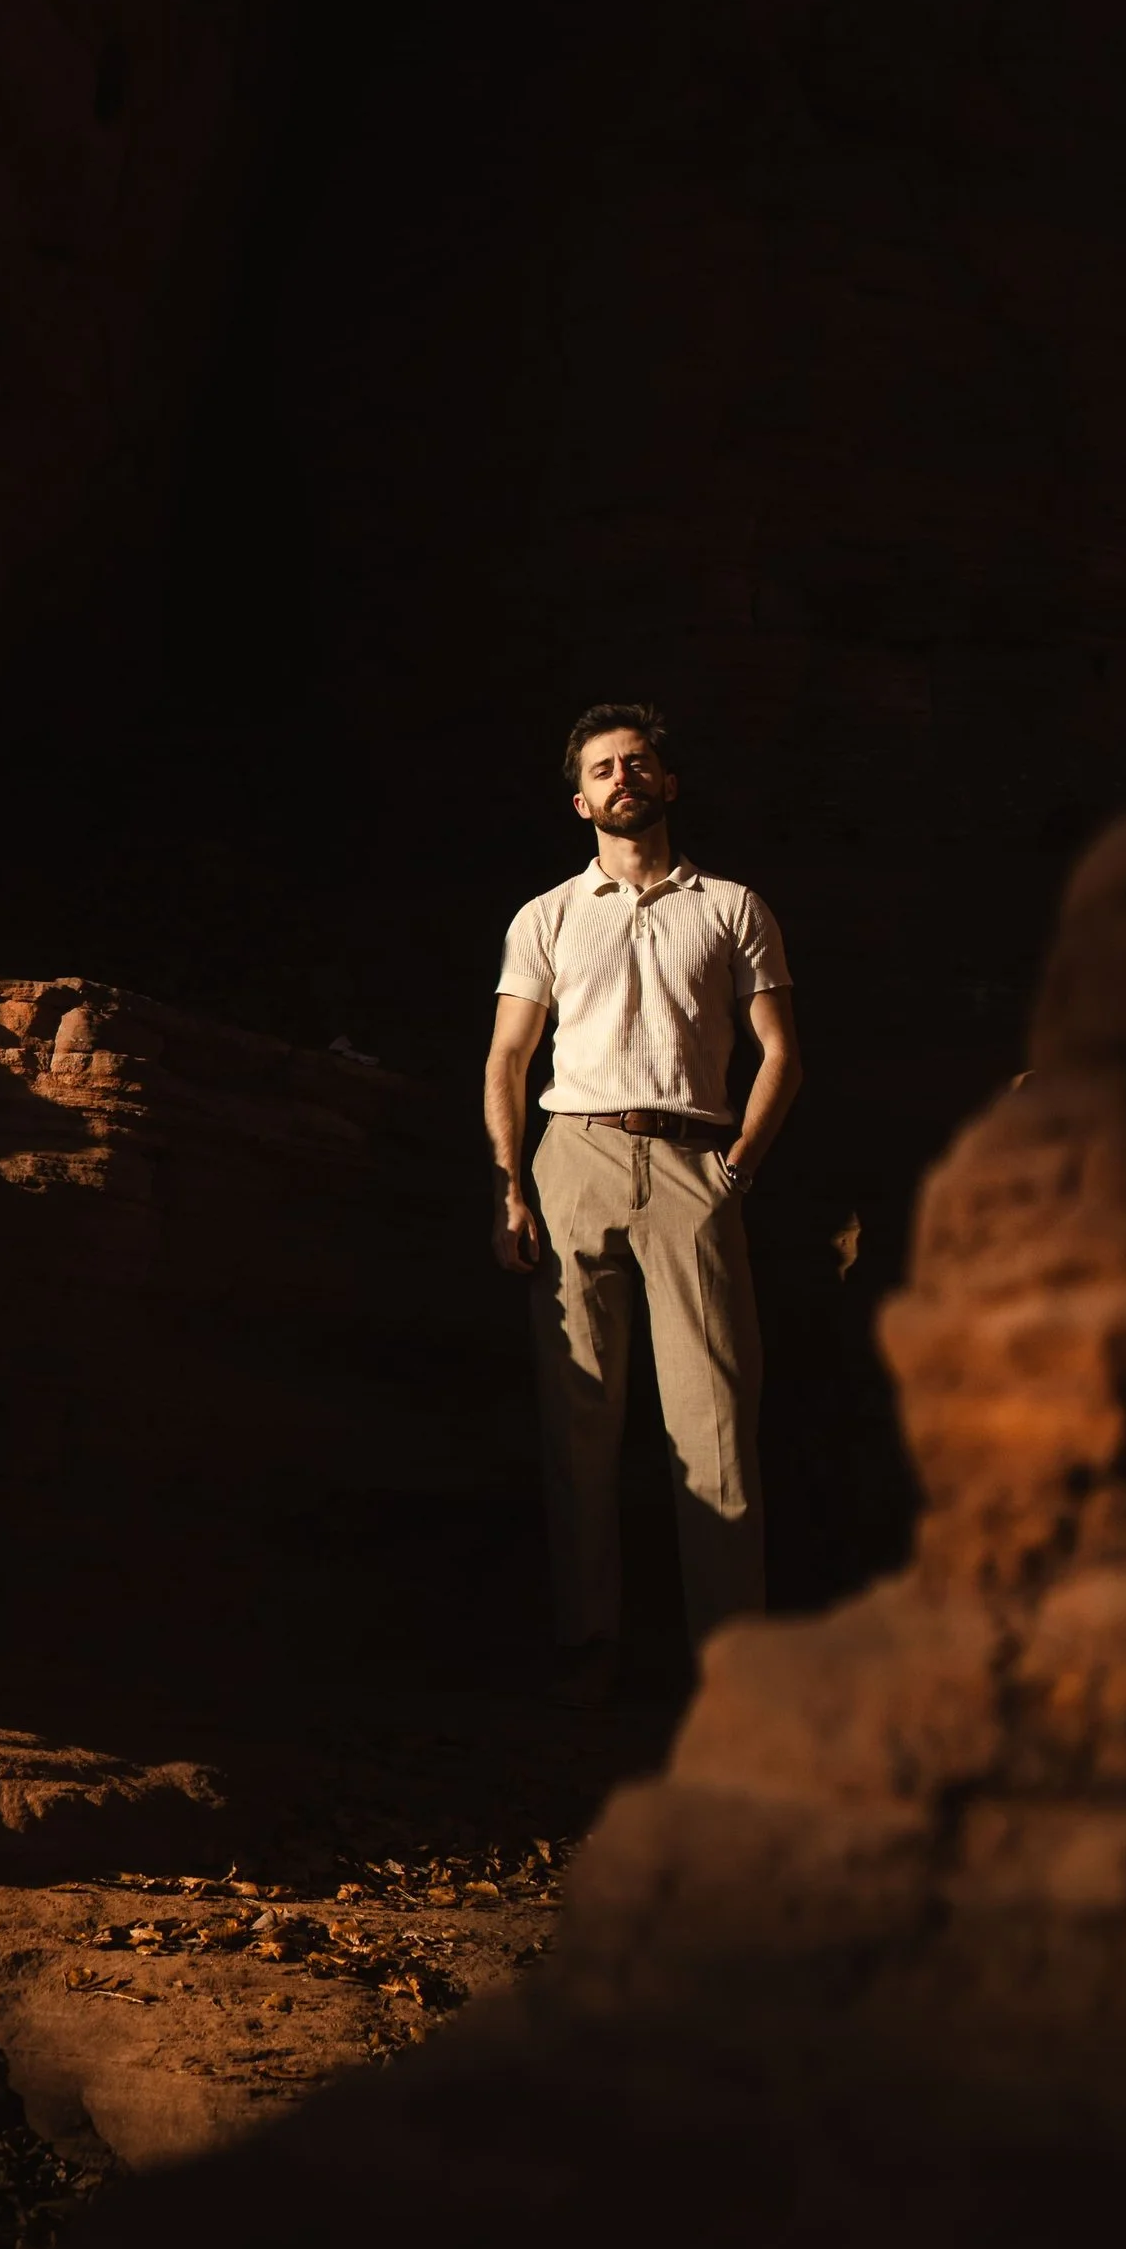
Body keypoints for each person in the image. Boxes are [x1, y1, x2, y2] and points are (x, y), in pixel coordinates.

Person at [484, 704, 802, 1706]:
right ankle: (589, 1643)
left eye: (638, 762)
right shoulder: (545, 914)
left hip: (691, 1165)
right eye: (602, 768)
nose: (622, 776)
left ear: (667, 783)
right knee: (577, 1418)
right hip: (569, 1157)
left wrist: (735, 1170)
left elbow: (782, 1053)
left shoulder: (733, 906)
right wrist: (508, 1183)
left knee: (713, 1426)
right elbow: (507, 1055)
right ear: (579, 800)